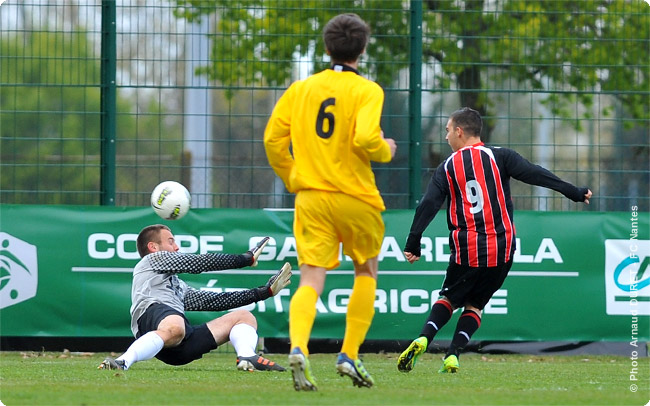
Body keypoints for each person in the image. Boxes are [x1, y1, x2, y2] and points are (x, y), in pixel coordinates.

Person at [397, 107, 592, 374]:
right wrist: (574, 192)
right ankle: (453, 354)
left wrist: (413, 240)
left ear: (459, 131)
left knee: (449, 298)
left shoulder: (448, 166)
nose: (445, 137)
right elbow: (536, 174)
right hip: (502, 248)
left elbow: (430, 203)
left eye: (447, 130)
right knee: (475, 305)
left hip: (468, 248)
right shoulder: (501, 156)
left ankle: (423, 338)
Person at [264, 13, 397, 391]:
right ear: (363, 49)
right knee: (366, 272)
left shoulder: (301, 89)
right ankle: (349, 355)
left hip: (312, 198)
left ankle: (299, 348)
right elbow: (366, 139)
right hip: (357, 198)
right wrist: (385, 150)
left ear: (326, 47)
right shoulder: (368, 91)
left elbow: (273, 140)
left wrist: (292, 176)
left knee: (310, 278)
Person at [98, 224, 292, 372]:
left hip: (178, 348)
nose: (176, 246)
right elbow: (197, 262)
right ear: (153, 247)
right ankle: (123, 361)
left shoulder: (177, 286)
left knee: (244, 317)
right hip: (151, 322)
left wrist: (262, 293)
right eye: (171, 241)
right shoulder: (150, 261)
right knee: (176, 324)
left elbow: (214, 301)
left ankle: (247, 357)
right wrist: (245, 259)